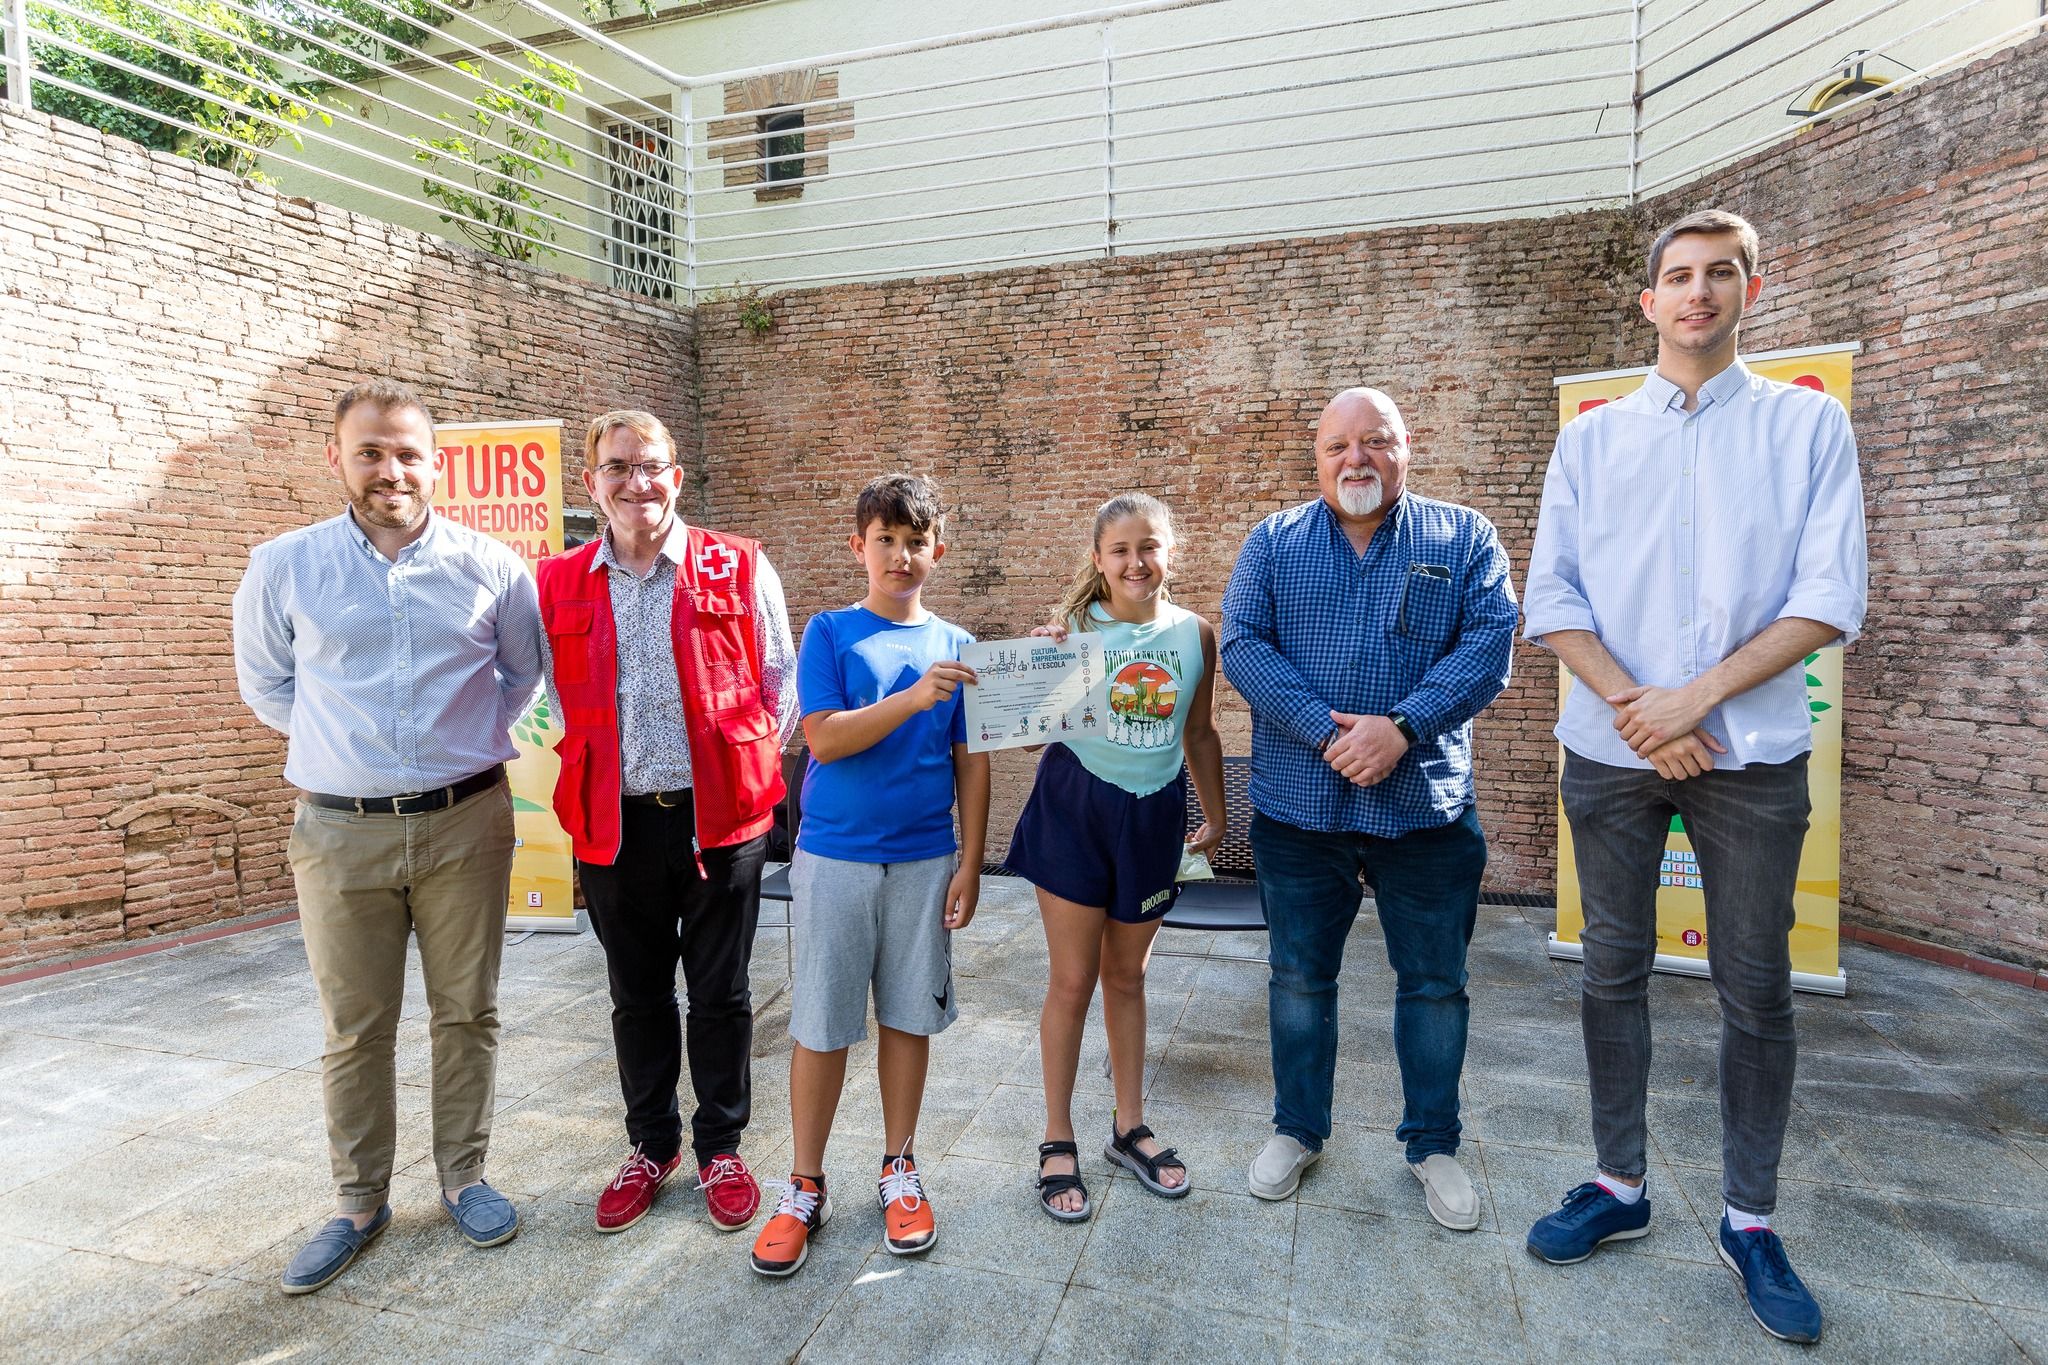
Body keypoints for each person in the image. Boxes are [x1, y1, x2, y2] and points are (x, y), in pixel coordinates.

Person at [1521, 209, 1866, 1345]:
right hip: (1610, 752)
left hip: (1750, 754)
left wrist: (1695, 698)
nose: (1696, 294)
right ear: (1648, 302)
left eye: (1719, 275)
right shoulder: (1592, 438)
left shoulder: (1804, 429)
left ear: (1750, 292)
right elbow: (1554, 599)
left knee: (1755, 990)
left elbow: (1827, 598)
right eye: (1676, 277)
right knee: (1609, 971)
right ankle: (1617, 1187)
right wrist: (1642, 710)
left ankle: (1748, 1219)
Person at [234, 379, 542, 1293]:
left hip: (466, 822)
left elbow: (520, 676)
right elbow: (270, 689)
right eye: (369, 451)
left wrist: (452, 752)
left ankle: (465, 1177)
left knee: (467, 1011)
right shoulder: (283, 567)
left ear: (434, 460)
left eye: (407, 451)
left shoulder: (492, 566)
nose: (390, 469)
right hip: (340, 833)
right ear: (336, 458)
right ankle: (360, 1201)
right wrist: (353, 754)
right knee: (355, 1027)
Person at [1220, 387, 1517, 1230]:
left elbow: (1491, 643)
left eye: (1375, 441)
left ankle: (1433, 1144)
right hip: (1298, 809)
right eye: (1338, 446)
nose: (1356, 459)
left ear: (1406, 447)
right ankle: (1297, 1130)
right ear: (1317, 458)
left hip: (1423, 809)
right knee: (1298, 980)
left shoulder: (1463, 538)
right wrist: (1326, 732)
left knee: (1433, 985)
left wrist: (1404, 726)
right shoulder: (1272, 544)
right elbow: (1241, 643)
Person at [537, 410, 796, 1237]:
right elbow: (540, 690)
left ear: (676, 476)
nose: (635, 482)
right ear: (592, 483)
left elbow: (779, 680)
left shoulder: (738, 564)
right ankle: (652, 1144)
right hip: (612, 825)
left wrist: (738, 765)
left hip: (720, 821)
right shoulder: (560, 582)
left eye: (651, 466)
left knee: (721, 994)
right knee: (636, 995)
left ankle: (721, 1145)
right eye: (617, 468)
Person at [748, 473, 991, 1275]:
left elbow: (973, 761)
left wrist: (969, 860)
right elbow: (822, 738)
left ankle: (899, 1166)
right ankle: (804, 1184)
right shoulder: (830, 632)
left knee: (908, 1019)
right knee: (820, 1022)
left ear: (937, 550)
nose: (900, 554)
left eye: (915, 540)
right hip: (835, 857)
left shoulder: (958, 642)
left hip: (925, 858)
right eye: (884, 539)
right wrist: (916, 696)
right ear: (859, 547)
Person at [1007, 494, 1228, 1221]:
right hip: (1075, 806)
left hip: (1153, 813)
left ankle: (1128, 1126)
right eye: (1121, 550)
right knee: (1072, 980)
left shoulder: (1196, 634)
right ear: (1099, 559)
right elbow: (1035, 738)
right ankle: (1057, 1135)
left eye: (1150, 546)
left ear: (1171, 551)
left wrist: (1216, 813)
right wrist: (1044, 668)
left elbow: (1198, 731)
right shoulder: (1071, 631)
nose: (1137, 562)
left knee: (1127, 976)